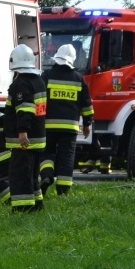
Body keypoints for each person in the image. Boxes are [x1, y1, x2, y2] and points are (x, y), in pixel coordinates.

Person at [39, 44, 94, 196]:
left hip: (48, 125)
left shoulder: (47, 75)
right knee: (66, 158)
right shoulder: (78, 78)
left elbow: (40, 100)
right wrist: (87, 124)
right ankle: (63, 191)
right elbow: (87, 104)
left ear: (57, 57)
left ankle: (47, 176)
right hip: (70, 128)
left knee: (46, 153)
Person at [4, 44, 47, 212]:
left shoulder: (21, 84)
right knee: (31, 176)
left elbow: (25, 110)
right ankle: (37, 205)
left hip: (25, 140)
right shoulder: (39, 81)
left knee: (20, 176)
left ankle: (23, 209)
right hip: (38, 138)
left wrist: (22, 132)